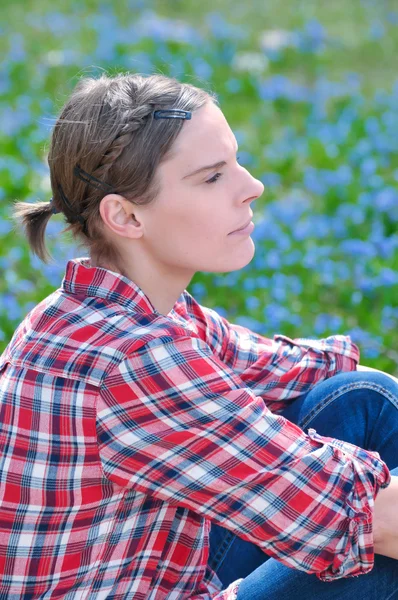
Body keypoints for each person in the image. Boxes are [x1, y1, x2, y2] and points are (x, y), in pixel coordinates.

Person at [1, 72, 398, 600]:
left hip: (154, 572)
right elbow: (352, 513)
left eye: (234, 161)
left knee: (359, 399)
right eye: (212, 177)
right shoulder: (136, 359)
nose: (252, 186)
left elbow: (289, 369)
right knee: (373, 555)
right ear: (125, 215)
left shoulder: (105, 311)